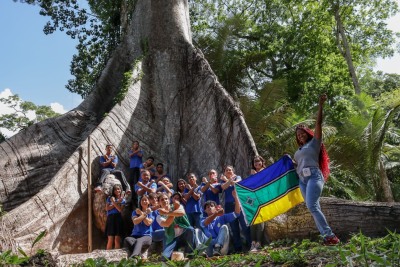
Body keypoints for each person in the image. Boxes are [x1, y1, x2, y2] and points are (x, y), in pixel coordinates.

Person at [293, 93, 339, 246]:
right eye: (298, 136)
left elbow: (318, 124)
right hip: (302, 181)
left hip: (314, 176)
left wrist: (321, 105)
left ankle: (330, 235)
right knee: (313, 207)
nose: (300, 136)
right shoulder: (298, 152)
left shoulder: (314, 143)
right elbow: (297, 166)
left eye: (302, 134)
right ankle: (327, 237)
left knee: (312, 205)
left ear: (307, 133)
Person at [156, 192, 197, 260]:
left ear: (169, 200)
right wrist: (174, 212)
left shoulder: (177, 205)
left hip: (184, 235)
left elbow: (182, 212)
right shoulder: (158, 216)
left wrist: (167, 212)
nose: (164, 201)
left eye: (166, 199)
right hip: (172, 238)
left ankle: (189, 255)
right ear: (159, 202)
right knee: (165, 257)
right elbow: (167, 223)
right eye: (162, 200)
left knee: (191, 229)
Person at [221, 165, 251, 253]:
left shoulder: (238, 177)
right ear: (225, 172)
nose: (229, 171)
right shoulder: (222, 181)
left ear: (233, 171)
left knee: (245, 226)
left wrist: (227, 180)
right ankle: (238, 249)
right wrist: (229, 181)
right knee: (234, 228)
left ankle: (250, 245)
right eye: (227, 170)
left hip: (238, 204)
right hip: (229, 206)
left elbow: (238, 183)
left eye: (230, 170)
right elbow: (223, 187)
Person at [201, 189, 241, 256]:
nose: (210, 208)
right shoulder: (202, 219)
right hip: (209, 249)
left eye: (211, 206)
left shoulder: (222, 217)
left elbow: (237, 213)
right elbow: (205, 223)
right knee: (197, 231)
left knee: (224, 227)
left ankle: (217, 248)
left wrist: (236, 197)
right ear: (205, 211)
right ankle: (202, 251)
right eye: (207, 207)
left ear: (216, 208)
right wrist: (216, 214)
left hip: (221, 248)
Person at [248, 155, 269, 252]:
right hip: (254, 198)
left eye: (258, 161)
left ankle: (259, 243)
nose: (256, 163)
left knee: (260, 219)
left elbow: (263, 181)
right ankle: (253, 242)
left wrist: (255, 175)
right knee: (253, 219)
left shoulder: (265, 170)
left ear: (262, 162)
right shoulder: (252, 172)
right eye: (254, 162)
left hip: (263, 197)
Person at [124, 195, 153, 259]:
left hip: (146, 236)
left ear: (149, 202)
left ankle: (134, 256)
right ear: (140, 202)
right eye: (142, 200)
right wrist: (144, 214)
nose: (144, 201)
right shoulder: (135, 212)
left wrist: (141, 213)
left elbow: (148, 223)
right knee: (127, 239)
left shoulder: (150, 212)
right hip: (135, 236)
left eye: (146, 200)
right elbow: (135, 222)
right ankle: (139, 255)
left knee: (139, 240)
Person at [105, 184, 126, 250]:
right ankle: (107, 256)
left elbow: (120, 210)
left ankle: (117, 256)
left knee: (117, 239)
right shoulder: (109, 198)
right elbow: (107, 208)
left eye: (118, 189)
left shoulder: (122, 200)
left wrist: (114, 202)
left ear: (121, 190)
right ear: (113, 191)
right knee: (110, 238)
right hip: (110, 218)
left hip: (118, 218)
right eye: (115, 189)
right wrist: (116, 202)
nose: (117, 190)